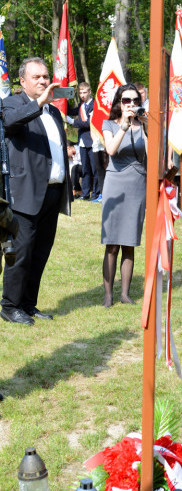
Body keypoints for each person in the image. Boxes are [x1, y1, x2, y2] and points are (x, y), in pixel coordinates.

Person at [1, 57, 72, 324]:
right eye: (37, 77)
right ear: (22, 82)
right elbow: (9, 124)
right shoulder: (10, 104)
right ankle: (9, 306)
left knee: (41, 252)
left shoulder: (53, 112)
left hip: (52, 194)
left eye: (45, 76)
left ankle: (28, 304)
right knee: (21, 253)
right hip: (26, 194)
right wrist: (39, 104)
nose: (43, 81)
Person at [101, 84, 147, 307]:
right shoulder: (109, 123)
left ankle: (125, 293)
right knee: (112, 243)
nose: (131, 104)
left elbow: (150, 154)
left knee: (129, 242)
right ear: (119, 103)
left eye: (135, 100)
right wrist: (124, 126)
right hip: (115, 184)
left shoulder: (145, 125)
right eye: (126, 100)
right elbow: (111, 150)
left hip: (138, 183)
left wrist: (146, 128)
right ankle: (108, 294)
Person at [67, 82, 99, 202]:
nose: (82, 95)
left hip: (92, 140)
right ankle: (85, 194)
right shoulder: (82, 105)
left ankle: (96, 193)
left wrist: (72, 122)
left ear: (90, 92)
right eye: (80, 93)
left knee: (94, 169)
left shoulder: (94, 105)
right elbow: (71, 110)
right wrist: (64, 100)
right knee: (85, 168)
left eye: (84, 92)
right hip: (82, 141)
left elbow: (88, 123)